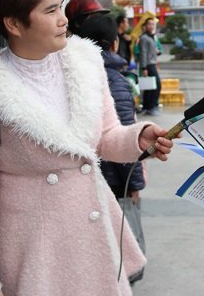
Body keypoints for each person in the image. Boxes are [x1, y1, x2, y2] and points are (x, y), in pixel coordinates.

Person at [0, 0, 175, 296]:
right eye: (51, 10)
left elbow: (105, 136)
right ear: (14, 23)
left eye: (61, 6)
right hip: (35, 257)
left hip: (95, 242)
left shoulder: (86, 61)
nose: (64, 19)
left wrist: (138, 138)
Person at [78, 14, 147, 284]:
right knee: (117, 245)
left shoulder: (75, 76)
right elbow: (124, 135)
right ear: (114, 44)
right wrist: (135, 184)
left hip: (90, 178)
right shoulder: (115, 82)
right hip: (115, 179)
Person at [138, 16, 162, 116]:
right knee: (157, 85)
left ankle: (146, 107)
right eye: (149, 24)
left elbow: (152, 51)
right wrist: (144, 68)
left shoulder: (151, 37)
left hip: (152, 64)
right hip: (148, 65)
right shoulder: (144, 38)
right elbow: (143, 53)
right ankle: (152, 107)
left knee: (149, 87)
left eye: (153, 24)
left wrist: (157, 53)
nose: (151, 26)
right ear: (145, 26)